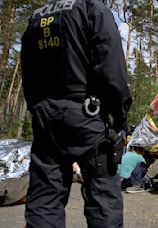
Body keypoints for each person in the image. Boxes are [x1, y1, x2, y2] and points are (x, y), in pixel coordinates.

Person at [21, 0, 132, 227]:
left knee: (45, 198)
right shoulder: (92, 9)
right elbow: (111, 68)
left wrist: (38, 109)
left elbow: (28, 71)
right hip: (87, 115)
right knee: (102, 198)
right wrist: (120, 118)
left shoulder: (36, 18)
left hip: (46, 118)